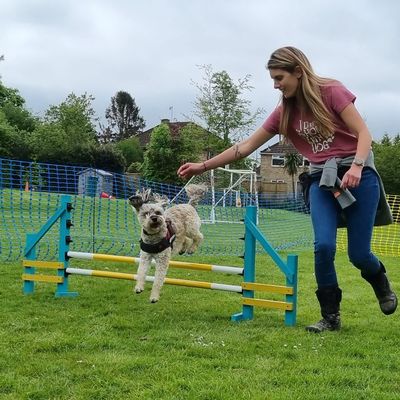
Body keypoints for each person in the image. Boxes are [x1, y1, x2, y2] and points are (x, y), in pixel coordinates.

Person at [177, 46, 397, 333]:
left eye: (279, 77)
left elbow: (364, 134)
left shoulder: (332, 91)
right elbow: (244, 147)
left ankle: (381, 283)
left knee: (358, 254)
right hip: (322, 179)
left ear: (298, 71)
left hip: (358, 175)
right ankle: (330, 317)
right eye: (273, 79)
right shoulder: (285, 111)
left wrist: (356, 166)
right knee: (324, 246)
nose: (276, 85)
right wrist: (202, 166)